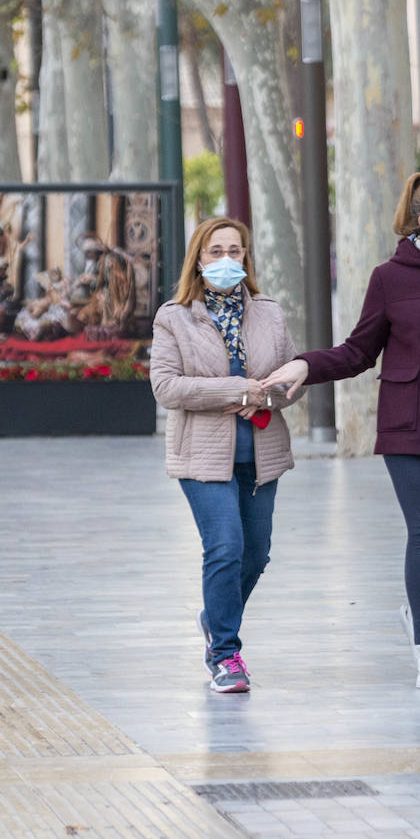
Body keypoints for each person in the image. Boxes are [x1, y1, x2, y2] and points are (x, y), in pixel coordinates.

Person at [260, 173, 420, 692]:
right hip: (407, 426)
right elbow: (357, 352)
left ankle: (417, 609)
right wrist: (303, 367)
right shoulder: (390, 278)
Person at [151, 217, 299, 694]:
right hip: (203, 456)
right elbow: (166, 387)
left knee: (256, 555)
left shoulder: (270, 314)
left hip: (261, 454)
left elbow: (292, 380)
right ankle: (225, 654)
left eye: (236, 251)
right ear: (198, 258)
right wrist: (238, 390)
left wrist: (268, 395)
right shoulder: (173, 316)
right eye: (216, 251)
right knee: (226, 548)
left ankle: (215, 617)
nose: (227, 260)